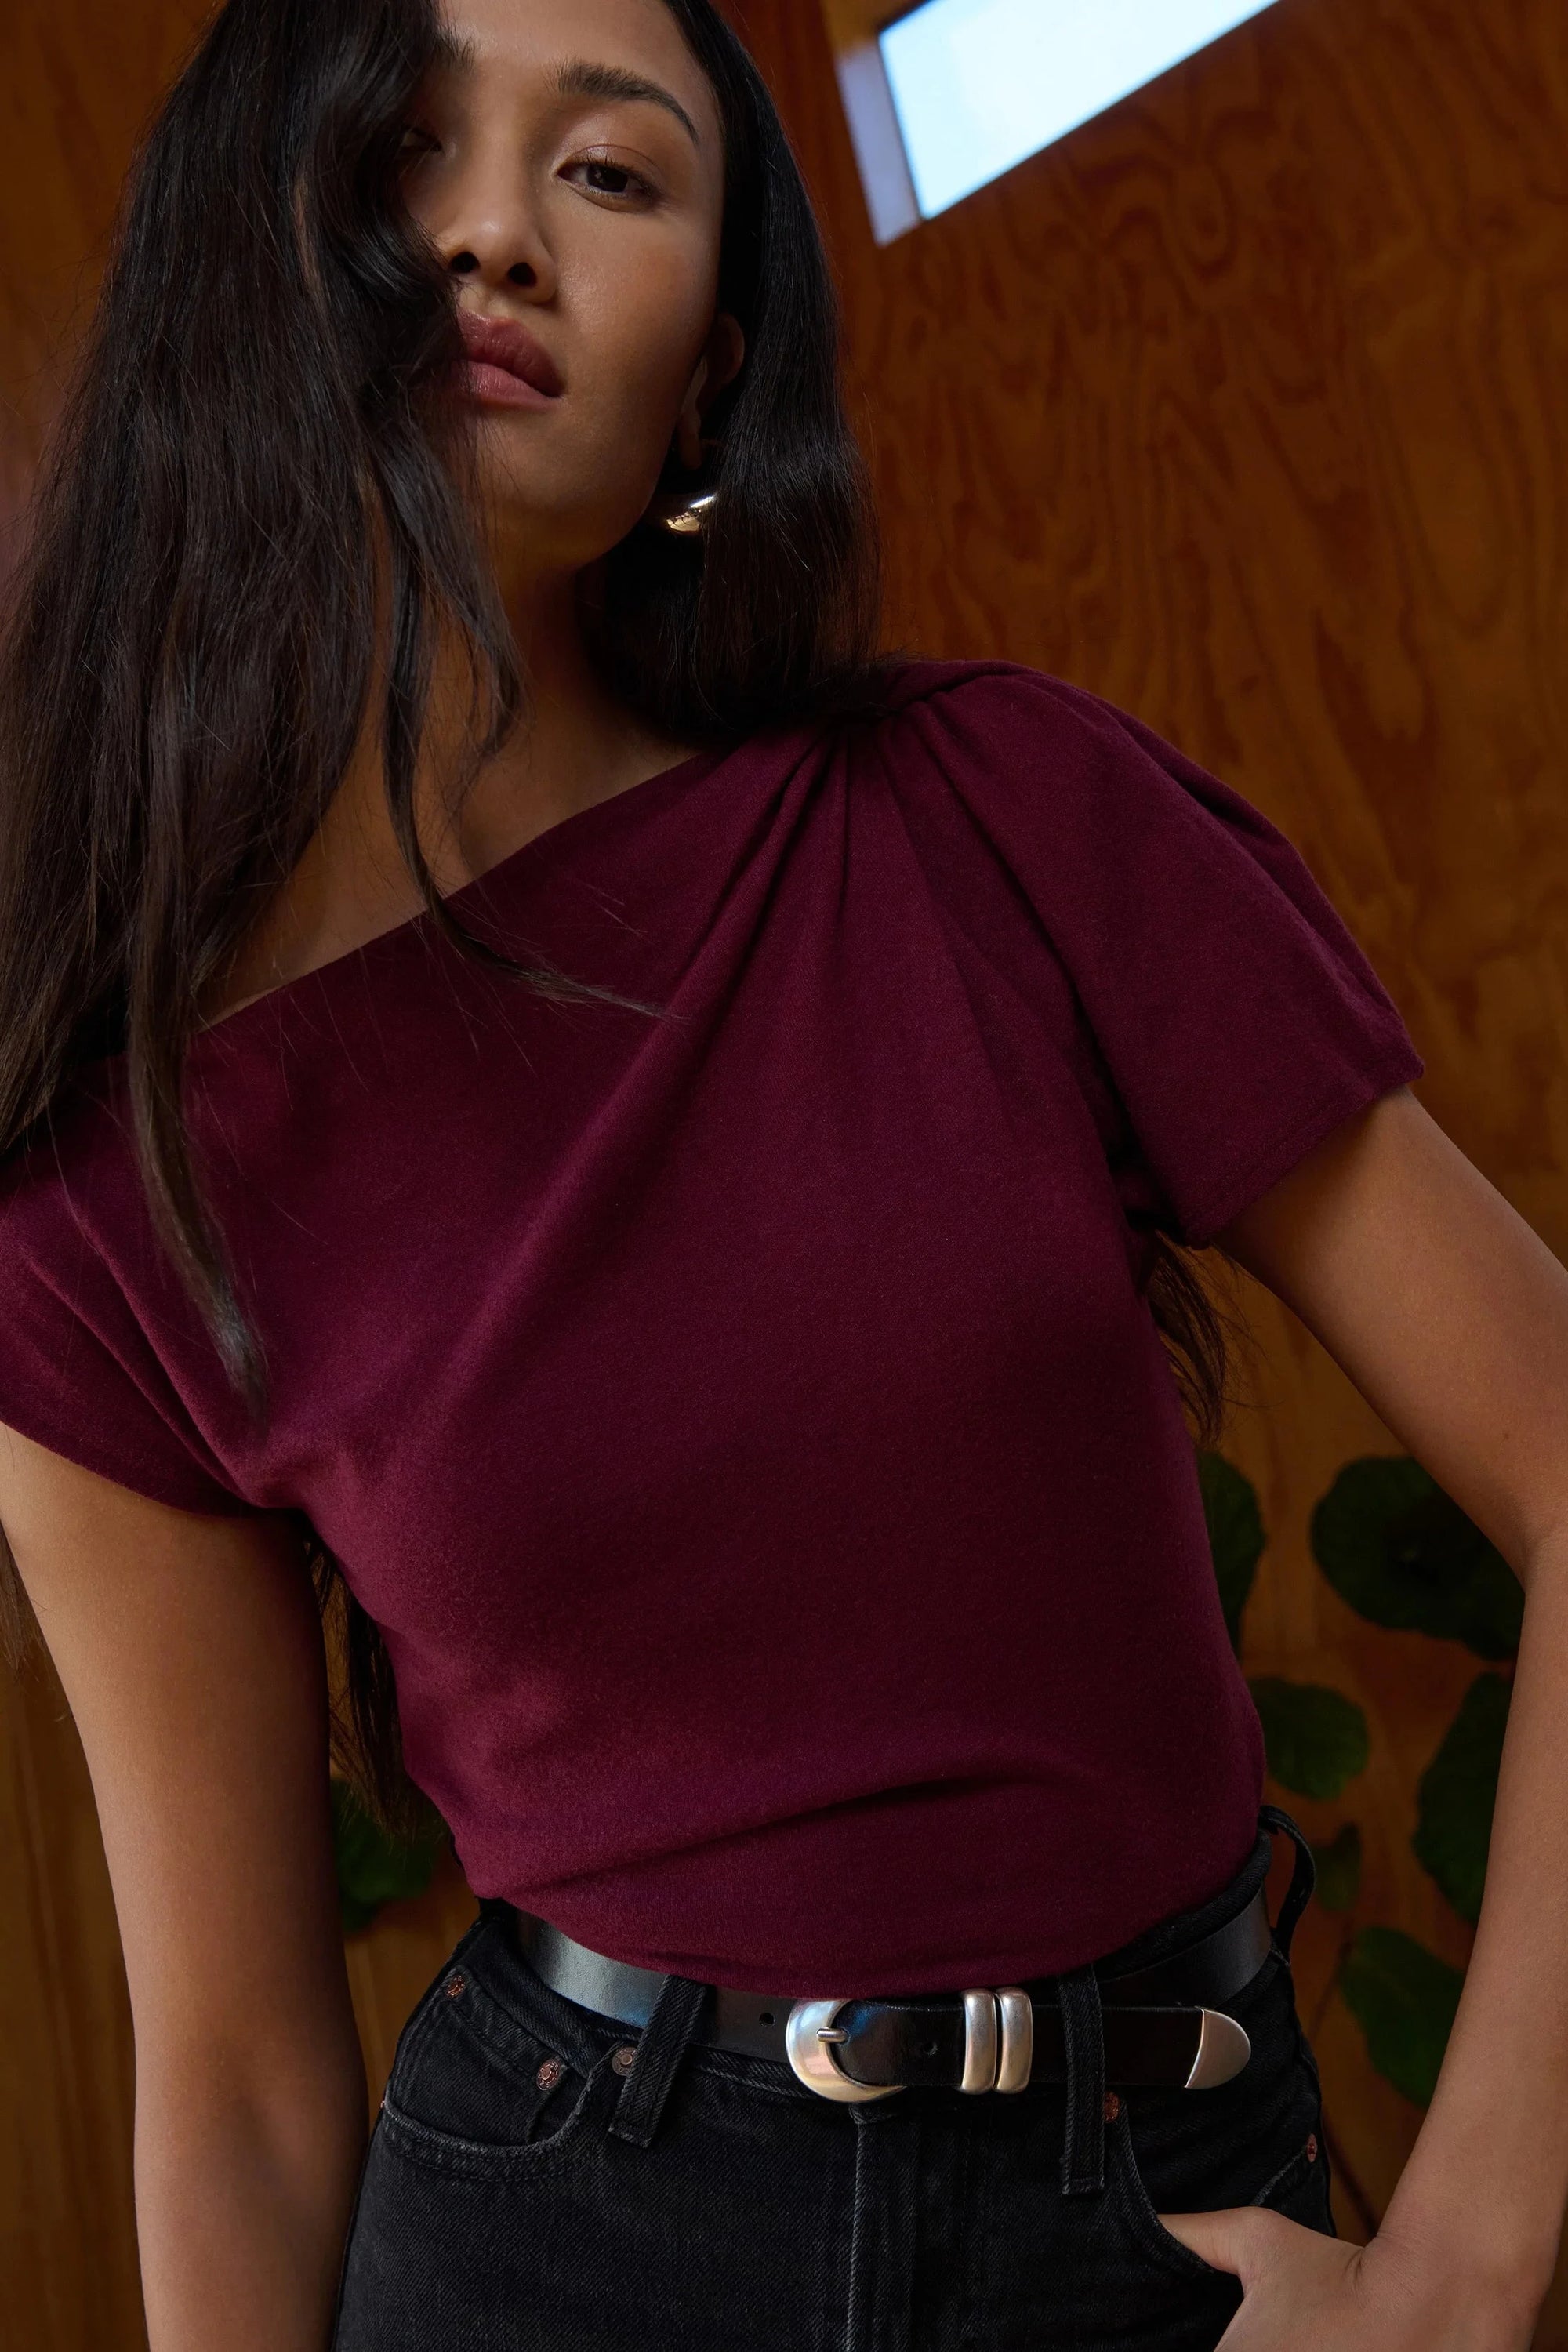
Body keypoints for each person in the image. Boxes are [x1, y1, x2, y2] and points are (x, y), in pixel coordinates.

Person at [1, 0, 1565, 2345]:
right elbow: (231, 2080)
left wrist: (1465, 2275)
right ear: (244, 247)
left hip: (1164, 2209)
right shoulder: (104, 1191)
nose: (491, 235)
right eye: (403, 144)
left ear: (713, 382)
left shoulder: (998, 821)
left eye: (611, 175)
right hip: (563, 2248)